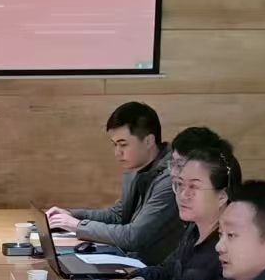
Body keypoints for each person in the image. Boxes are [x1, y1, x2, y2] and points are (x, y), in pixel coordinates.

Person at [116, 127, 242, 280]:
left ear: (222, 196)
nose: (183, 195)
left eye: (194, 187)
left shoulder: (234, 243)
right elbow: (170, 270)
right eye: (179, 185)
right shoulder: (194, 229)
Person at [44, 101, 181, 264]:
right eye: (115, 144)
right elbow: (118, 215)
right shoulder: (137, 168)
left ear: (148, 141)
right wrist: (70, 215)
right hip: (133, 261)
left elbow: (134, 236)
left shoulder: (171, 178)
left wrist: (78, 226)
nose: (117, 152)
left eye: (123, 144)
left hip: (155, 270)